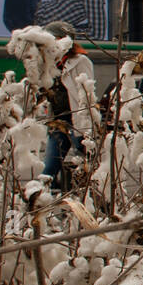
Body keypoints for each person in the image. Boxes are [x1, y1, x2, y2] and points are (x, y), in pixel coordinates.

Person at [39, 21, 98, 191]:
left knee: (84, 166)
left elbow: (87, 93)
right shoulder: (49, 64)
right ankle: (41, 203)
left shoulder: (80, 61)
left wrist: (87, 123)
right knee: (49, 168)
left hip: (77, 122)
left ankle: (87, 202)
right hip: (58, 123)